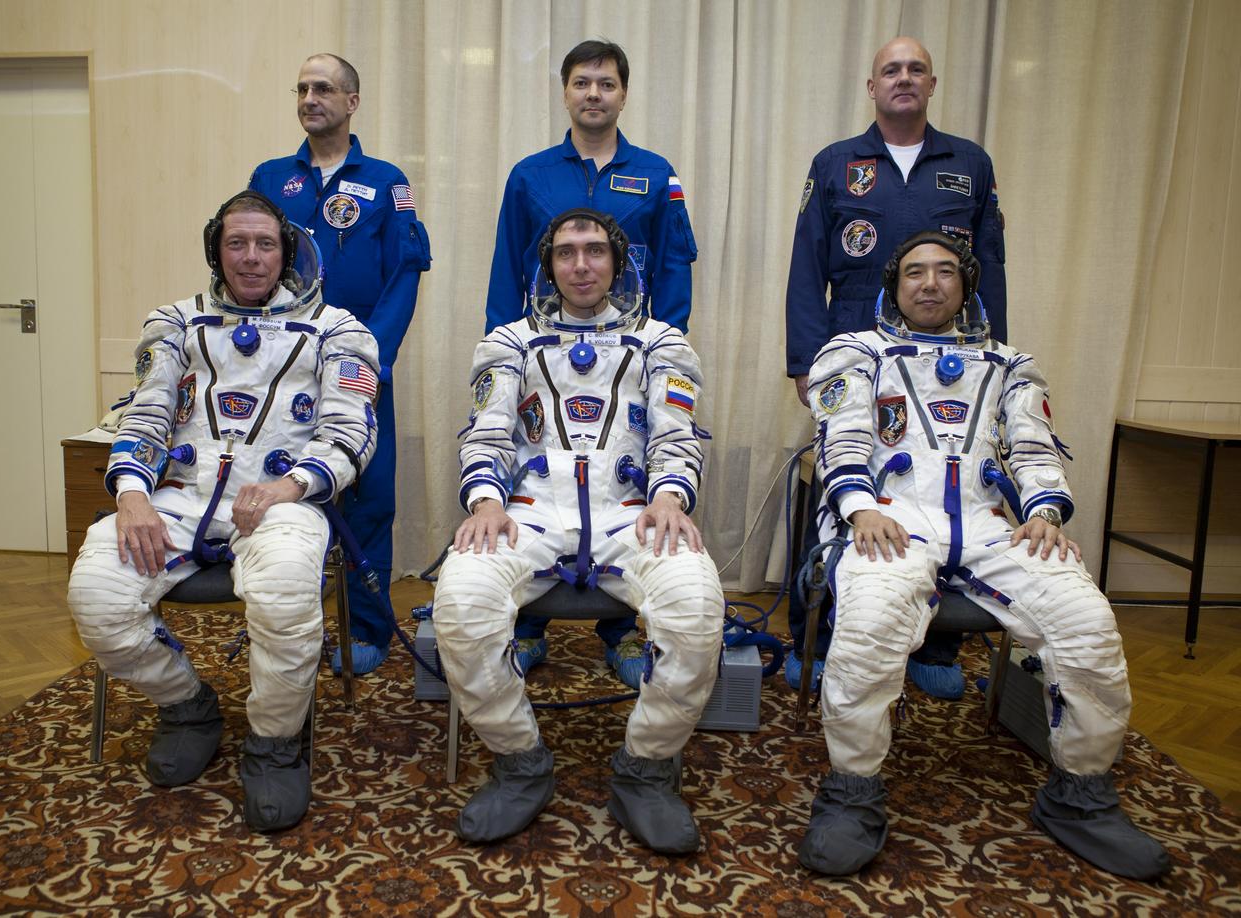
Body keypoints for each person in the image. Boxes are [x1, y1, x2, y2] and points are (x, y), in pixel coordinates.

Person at [796, 231, 1169, 881]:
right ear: (894, 285)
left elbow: (1032, 451)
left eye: (945, 272)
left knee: (1087, 623)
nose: (930, 283)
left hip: (990, 524)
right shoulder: (855, 354)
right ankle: (852, 793)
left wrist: (1045, 513)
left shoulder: (1010, 366)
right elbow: (841, 442)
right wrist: (859, 509)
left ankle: (1079, 798)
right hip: (890, 517)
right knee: (868, 624)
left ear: (966, 285)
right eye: (915, 272)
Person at [67, 191, 380, 832]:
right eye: (236, 243)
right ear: (216, 250)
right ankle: (188, 705)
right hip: (177, 497)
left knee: (287, 593)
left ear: (287, 252)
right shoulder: (175, 324)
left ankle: (273, 742)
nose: (251, 257)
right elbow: (146, 414)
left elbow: (353, 433)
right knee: (96, 595)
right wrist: (130, 494)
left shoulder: (341, 331)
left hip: (281, 499)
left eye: (265, 244)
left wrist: (291, 487)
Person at [432, 208, 722, 854]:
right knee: (460, 603)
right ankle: (520, 764)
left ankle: (646, 771)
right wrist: (484, 501)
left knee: (699, 610)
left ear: (618, 262)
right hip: (528, 508)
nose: (581, 264)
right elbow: (487, 432)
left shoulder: (662, 343)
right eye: (566, 253)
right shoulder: (508, 342)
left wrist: (671, 495)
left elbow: (679, 437)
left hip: (633, 511)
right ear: (549, 265)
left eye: (595, 250)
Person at [784, 36, 1008, 699]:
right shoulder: (836, 164)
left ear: (932, 84)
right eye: (891, 70)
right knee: (841, 487)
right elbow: (806, 268)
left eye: (915, 69)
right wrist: (805, 360)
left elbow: (989, 269)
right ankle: (815, 636)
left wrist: (994, 362)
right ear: (872, 87)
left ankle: (934, 640)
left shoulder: (969, 164)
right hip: (855, 348)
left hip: (953, 362)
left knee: (949, 489)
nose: (903, 79)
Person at [486, 39, 700, 690]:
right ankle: (526, 627)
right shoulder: (530, 174)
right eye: (582, 83)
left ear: (624, 94)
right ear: (565, 92)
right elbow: (507, 268)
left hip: (627, 363)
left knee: (626, 484)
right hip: (544, 366)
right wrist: (500, 352)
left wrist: (668, 348)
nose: (594, 95)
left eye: (606, 84)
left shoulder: (656, 173)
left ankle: (622, 630)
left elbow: (673, 266)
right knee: (535, 483)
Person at [249, 53, 431, 675]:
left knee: (368, 496)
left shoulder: (386, 182)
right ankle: (282, 620)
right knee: (280, 485)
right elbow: (243, 268)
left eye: (323, 88)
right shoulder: (271, 178)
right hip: (281, 369)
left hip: (359, 368)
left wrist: (370, 356)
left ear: (352, 102)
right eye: (301, 88)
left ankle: (367, 628)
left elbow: (405, 274)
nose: (309, 98)